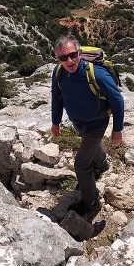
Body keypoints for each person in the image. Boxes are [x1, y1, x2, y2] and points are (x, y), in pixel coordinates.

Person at [51, 34, 124, 216]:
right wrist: (55, 122)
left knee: (81, 165)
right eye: (63, 57)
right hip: (79, 123)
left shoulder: (96, 74)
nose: (69, 60)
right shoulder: (58, 73)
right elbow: (57, 98)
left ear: (80, 53)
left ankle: (91, 203)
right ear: (57, 59)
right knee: (90, 146)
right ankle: (102, 164)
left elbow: (117, 101)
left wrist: (117, 130)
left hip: (97, 123)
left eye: (73, 55)